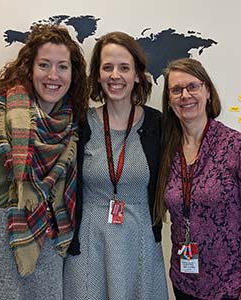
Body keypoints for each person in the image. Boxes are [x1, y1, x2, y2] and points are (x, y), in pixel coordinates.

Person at [0, 24, 89, 300]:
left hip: (47, 237)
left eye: (62, 67)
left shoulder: (74, 124)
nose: (53, 75)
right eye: (44, 65)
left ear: (73, 73)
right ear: (29, 68)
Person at [63, 31, 169, 300]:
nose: (115, 75)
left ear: (137, 75)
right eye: (107, 67)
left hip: (140, 243)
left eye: (124, 68)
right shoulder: (81, 122)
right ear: (97, 75)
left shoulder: (157, 125)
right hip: (90, 243)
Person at [155, 58, 241, 300]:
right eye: (176, 90)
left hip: (230, 288)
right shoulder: (167, 151)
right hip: (183, 283)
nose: (185, 95)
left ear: (207, 91)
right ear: (169, 100)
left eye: (192, 86)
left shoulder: (238, 147)